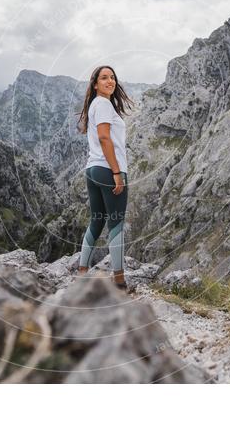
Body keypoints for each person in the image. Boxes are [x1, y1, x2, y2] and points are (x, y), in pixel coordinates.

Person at [75, 65, 135, 292]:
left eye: (112, 77)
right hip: (107, 170)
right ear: (95, 84)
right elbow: (104, 137)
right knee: (116, 223)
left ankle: (82, 273)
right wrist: (117, 172)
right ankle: (119, 281)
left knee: (97, 220)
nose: (110, 81)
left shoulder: (96, 105)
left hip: (93, 169)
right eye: (104, 78)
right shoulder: (103, 104)